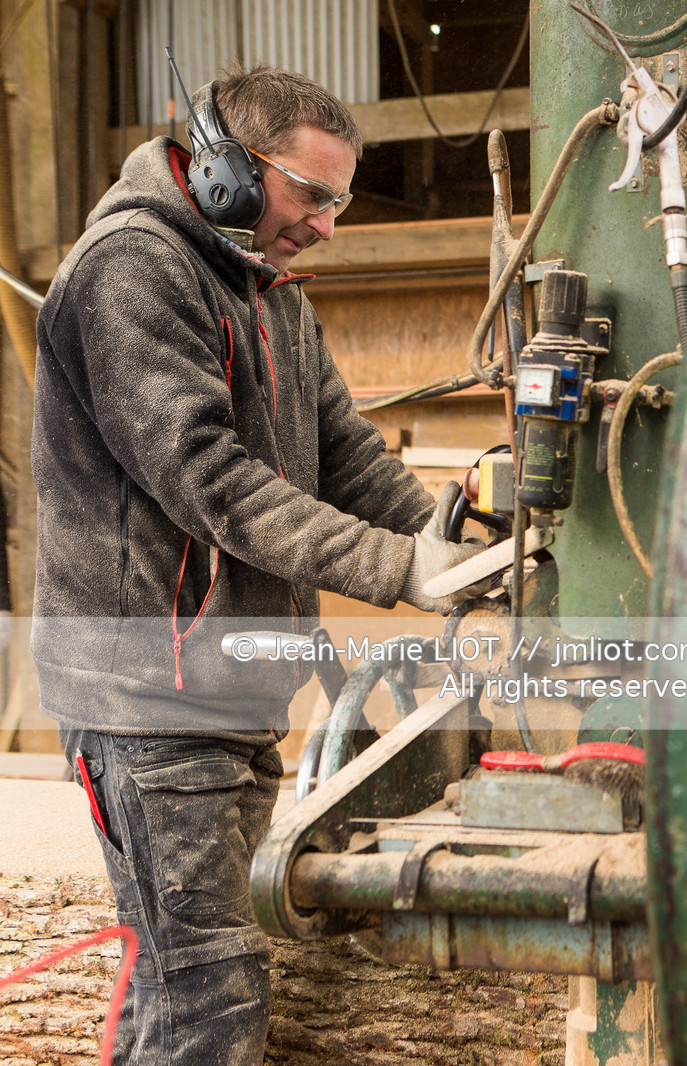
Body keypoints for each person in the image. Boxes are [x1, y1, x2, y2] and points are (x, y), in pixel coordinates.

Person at [31, 65, 479, 1064]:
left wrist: (460, 551)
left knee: (176, 997)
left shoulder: (262, 285)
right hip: (147, 696)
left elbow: (349, 453)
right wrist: (394, 568)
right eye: (312, 195)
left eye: (340, 201)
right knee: (209, 1001)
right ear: (227, 168)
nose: (327, 224)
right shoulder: (131, 271)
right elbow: (209, 480)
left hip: (231, 694)